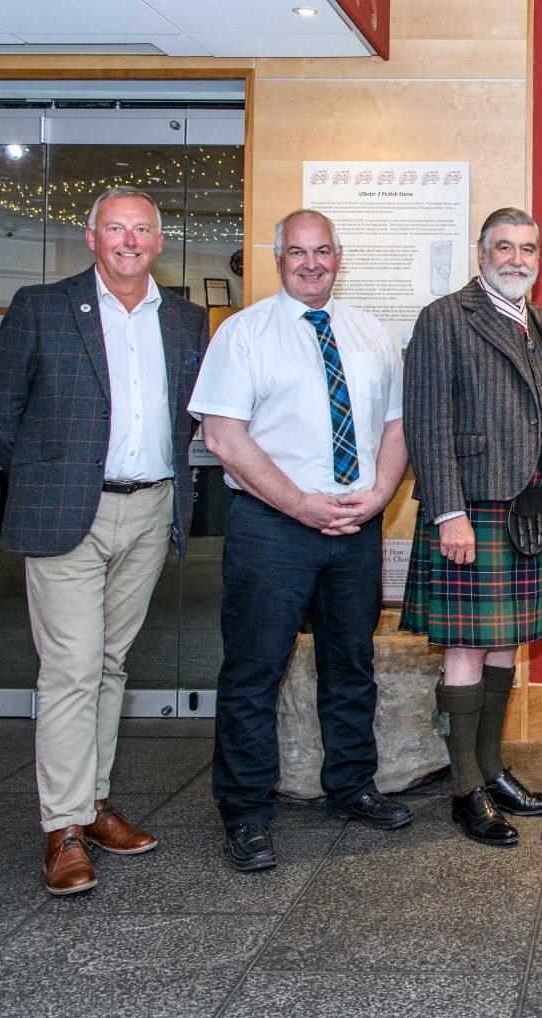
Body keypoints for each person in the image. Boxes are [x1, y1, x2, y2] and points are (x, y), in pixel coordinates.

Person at [0, 185, 207, 896]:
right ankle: (63, 829)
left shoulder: (187, 320)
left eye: (142, 230)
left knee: (110, 664)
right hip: (66, 515)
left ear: (159, 243)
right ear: (91, 236)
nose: (129, 241)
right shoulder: (41, 308)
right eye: (116, 229)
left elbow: (189, 416)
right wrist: (50, 480)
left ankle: (94, 803)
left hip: (150, 509)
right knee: (71, 667)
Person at [190, 209, 413, 873]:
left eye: (322, 251)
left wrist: (376, 496)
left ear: (338, 256)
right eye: (297, 252)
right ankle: (247, 813)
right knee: (255, 670)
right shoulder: (244, 333)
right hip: (272, 528)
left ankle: (350, 786)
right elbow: (223, 437)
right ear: (278, 257)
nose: (311, 263)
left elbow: (396, 428)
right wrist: (301, 506)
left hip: (355, 525)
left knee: (351, 665)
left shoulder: (370, 332)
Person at [401, 207, 542, 846]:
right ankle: (464, 792)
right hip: (472, 508)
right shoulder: (445, 318)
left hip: (526, 509)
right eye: (504, 247)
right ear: (481, 254)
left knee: (507, 643)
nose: (517, 258)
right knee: (466, 648)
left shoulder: (539, 321)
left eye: (528, 248)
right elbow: (426, 423)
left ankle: (491, 770)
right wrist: (449, 512)